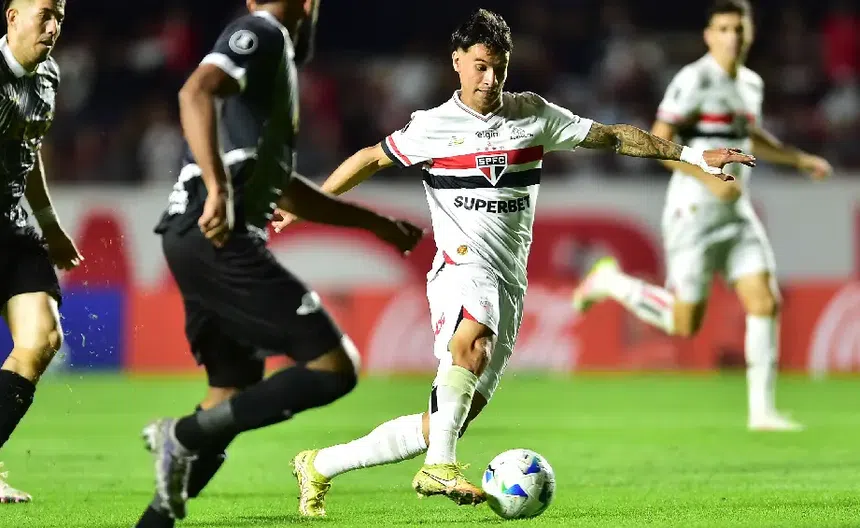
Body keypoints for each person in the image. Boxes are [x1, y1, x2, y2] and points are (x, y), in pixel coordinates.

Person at [271, 8, 755, 517]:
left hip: (508, 283)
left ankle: (320, 464)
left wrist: (694, 157)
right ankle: (440, 467)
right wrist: (308, 205)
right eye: (480, 66)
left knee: (443, 422)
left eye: (499, 68)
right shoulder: (431, 127)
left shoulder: (533, 114)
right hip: (461, 268)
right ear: (457, 61)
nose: (490, 79)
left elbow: (613, 136)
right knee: (472, 341)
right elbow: (370, 158)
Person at [136, 1, 424, 525]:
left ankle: (156, 517)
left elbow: (284, 188)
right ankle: (181, 435)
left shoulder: (276, 64)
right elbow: (195, 91)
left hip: (193, 236)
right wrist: (218, 189)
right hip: (217, 234)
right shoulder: (260, 31)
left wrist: (375, 224)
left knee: (229, 394)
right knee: (334, 368)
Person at [572, 0, 832, 432]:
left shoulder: (750, 83)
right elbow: (658, 141)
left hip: (736, 213)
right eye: (724, 29)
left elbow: (749, 136)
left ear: (749, 34)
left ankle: (762, 412)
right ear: (709, 36)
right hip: (692, 211)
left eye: (739, 29)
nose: (732, 37)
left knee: (764, 300)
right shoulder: (693, 79)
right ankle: (609, 281)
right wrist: (706, 177)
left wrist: (798, 159)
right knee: (683, 322)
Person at [0, 0, 80, 504]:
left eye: (60, 18)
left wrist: (50, 226)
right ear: (12, 17)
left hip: (12, 228)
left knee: (43, 339)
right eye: (44, 14)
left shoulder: (48, 75)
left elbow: (28, 151)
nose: (53, 27)